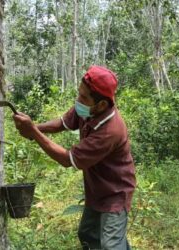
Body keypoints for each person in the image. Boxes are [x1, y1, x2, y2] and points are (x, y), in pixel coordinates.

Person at [13, 65, 136, 250]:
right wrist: (35, 128)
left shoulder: (110, 130)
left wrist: (33, 132)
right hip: (96, 190)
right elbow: (62, 124)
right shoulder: (88, 108)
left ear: (102, 104)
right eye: (79, 93)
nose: (78, 100)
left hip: (115, 194)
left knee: (111, 245)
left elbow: (67, 160)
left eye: (84, 97)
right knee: (88, 234)